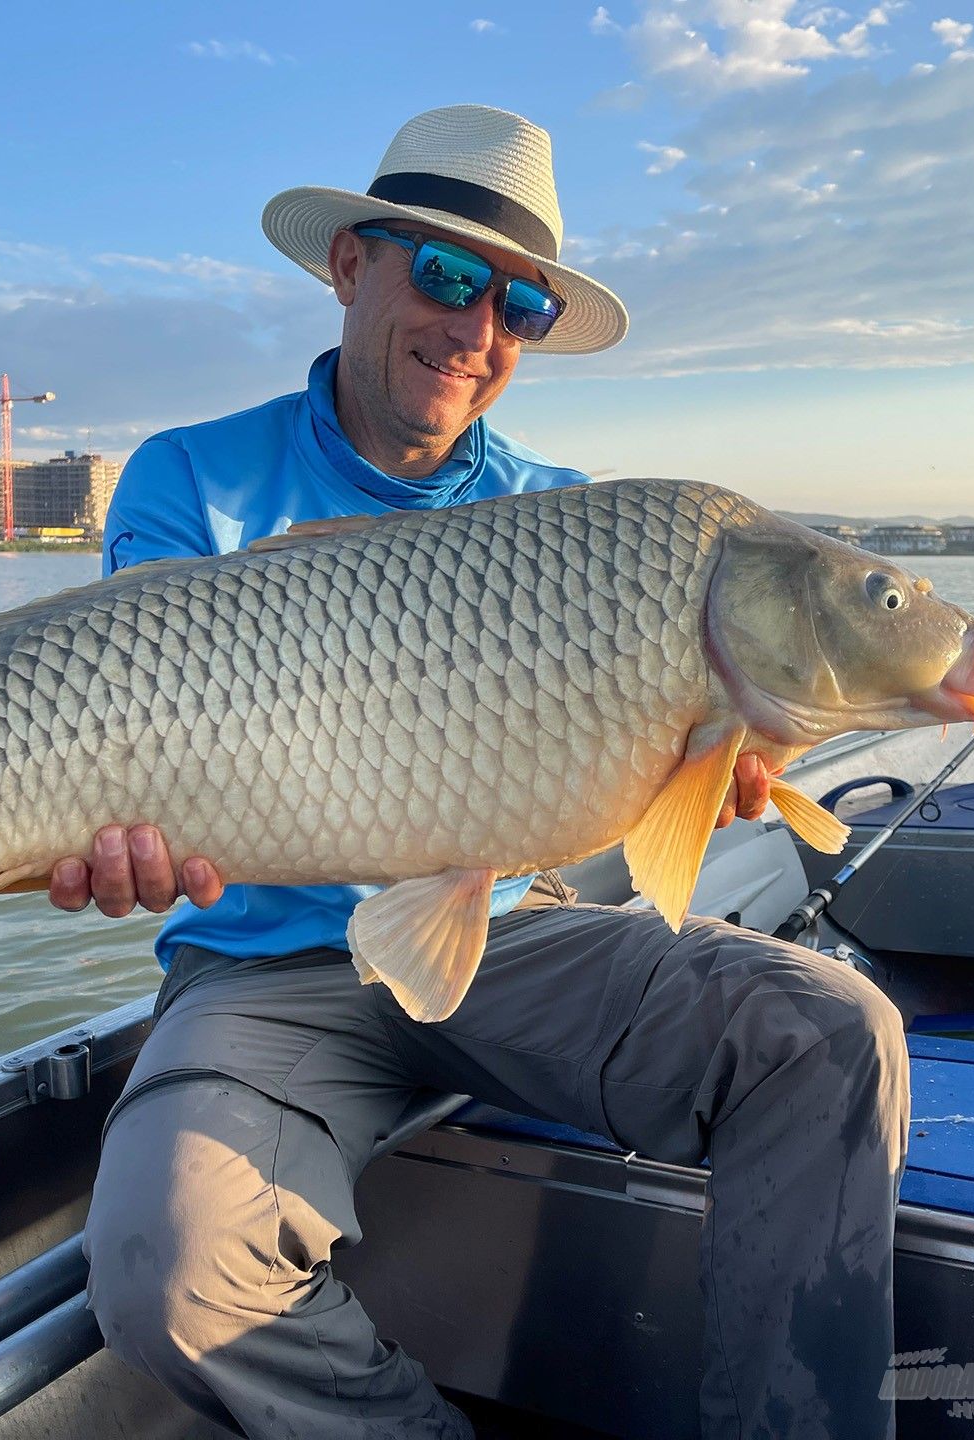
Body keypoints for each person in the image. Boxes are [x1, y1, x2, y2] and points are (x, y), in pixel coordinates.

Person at [61, 106, 909, 1439]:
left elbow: (632, 821)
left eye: (516, 305)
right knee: (168, 1272)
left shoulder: (568, 518)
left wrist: (713, 765)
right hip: (265, 969)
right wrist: (114, 840)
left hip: (508, 935)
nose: (477, 330)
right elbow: (128, 746)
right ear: (350, 263)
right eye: (447, 277)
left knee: (828, 1032)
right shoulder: (190, 479)